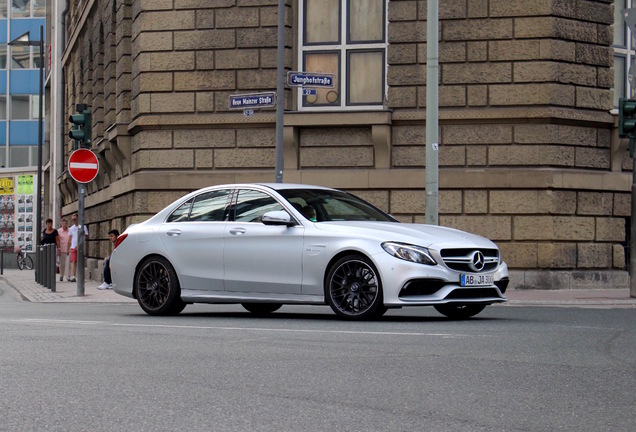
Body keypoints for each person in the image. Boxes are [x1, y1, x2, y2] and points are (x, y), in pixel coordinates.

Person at [68, 213, 88, 282]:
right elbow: (70, 239)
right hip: (73, 247)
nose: (74, 220)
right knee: (73, 261)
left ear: (78, 219)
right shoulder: (71, 228)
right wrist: (69, 248)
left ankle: (80, 275)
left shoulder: (83, 227)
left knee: (80, 261)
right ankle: (73, 276)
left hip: (81, 247)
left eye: (75, 219)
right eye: (72, 219)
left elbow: (84, 237)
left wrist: (79, 244)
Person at [57, 218, 70, 282]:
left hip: (68, 249)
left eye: (66, 223)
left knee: (68, 263)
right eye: (63, 223)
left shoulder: (70, 230)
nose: (64, 225)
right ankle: (61, 275)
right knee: (62, 263)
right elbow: (57, 240)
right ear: (61, 224)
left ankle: (67, 276)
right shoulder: (59, 231)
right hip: (61, 249)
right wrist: (58, 248)